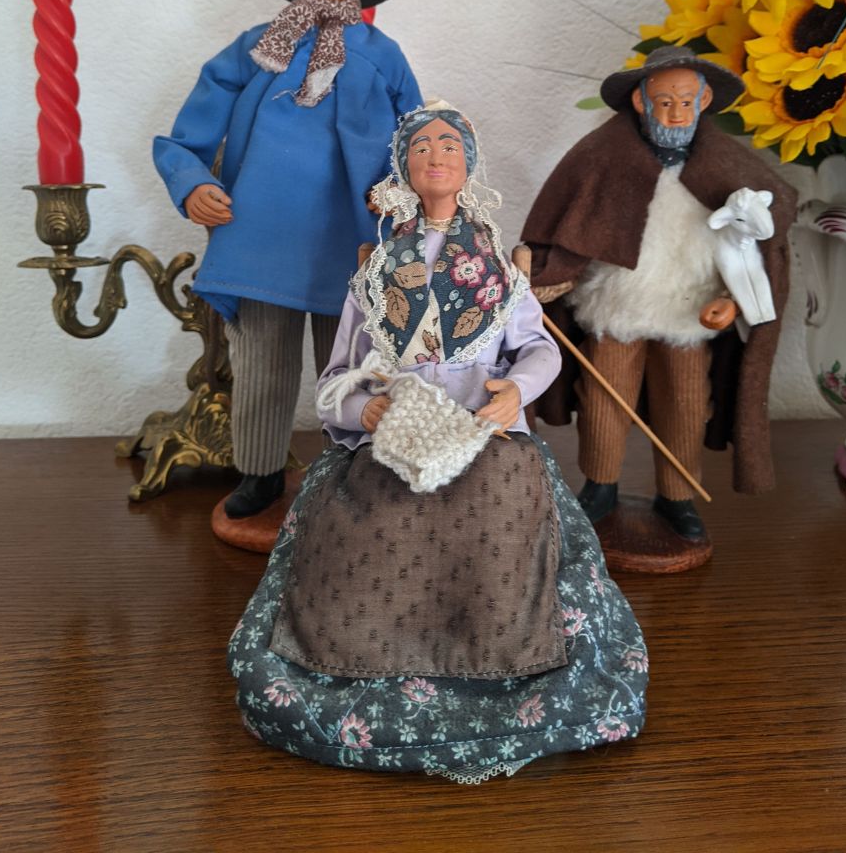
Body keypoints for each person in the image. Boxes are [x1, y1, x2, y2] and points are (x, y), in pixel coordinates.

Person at [228, 103, 648, 781]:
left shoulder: (498, 267)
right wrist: (365, 410)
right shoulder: (376, 269)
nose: (435, 157)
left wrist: (515, 391)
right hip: (395, 438)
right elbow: (336, 376)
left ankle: (505, 665)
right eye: (420, 147)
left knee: (502, 512)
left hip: (485, 434)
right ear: (403, 168)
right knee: (365, 522)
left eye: (449, 145)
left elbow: (538, 348)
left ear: (468, 165)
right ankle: (354, 664)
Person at [154, 0, 422, 518]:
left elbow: (415, 137)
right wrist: (192, 183)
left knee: (352, 360)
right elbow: (186, 136)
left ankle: (352, 467)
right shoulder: (258, 47)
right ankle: (259, 471)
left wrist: (409, 199)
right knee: (262, 361)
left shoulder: (383, 56)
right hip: (261, 232)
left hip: (353, 236)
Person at [522, 46, 797, 542]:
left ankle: (677, 495)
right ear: (640, 101)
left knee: (686, 404)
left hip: (691, 312)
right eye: (665, 102)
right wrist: (547, 276)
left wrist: (732, 300)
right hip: (616, 307)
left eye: (686, 102)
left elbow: (753, 246)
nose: (675, 113)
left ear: (704, 101)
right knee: (604, 400)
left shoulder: (729, 168)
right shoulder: (601, 156)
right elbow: (563, 228)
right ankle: (600, 486)